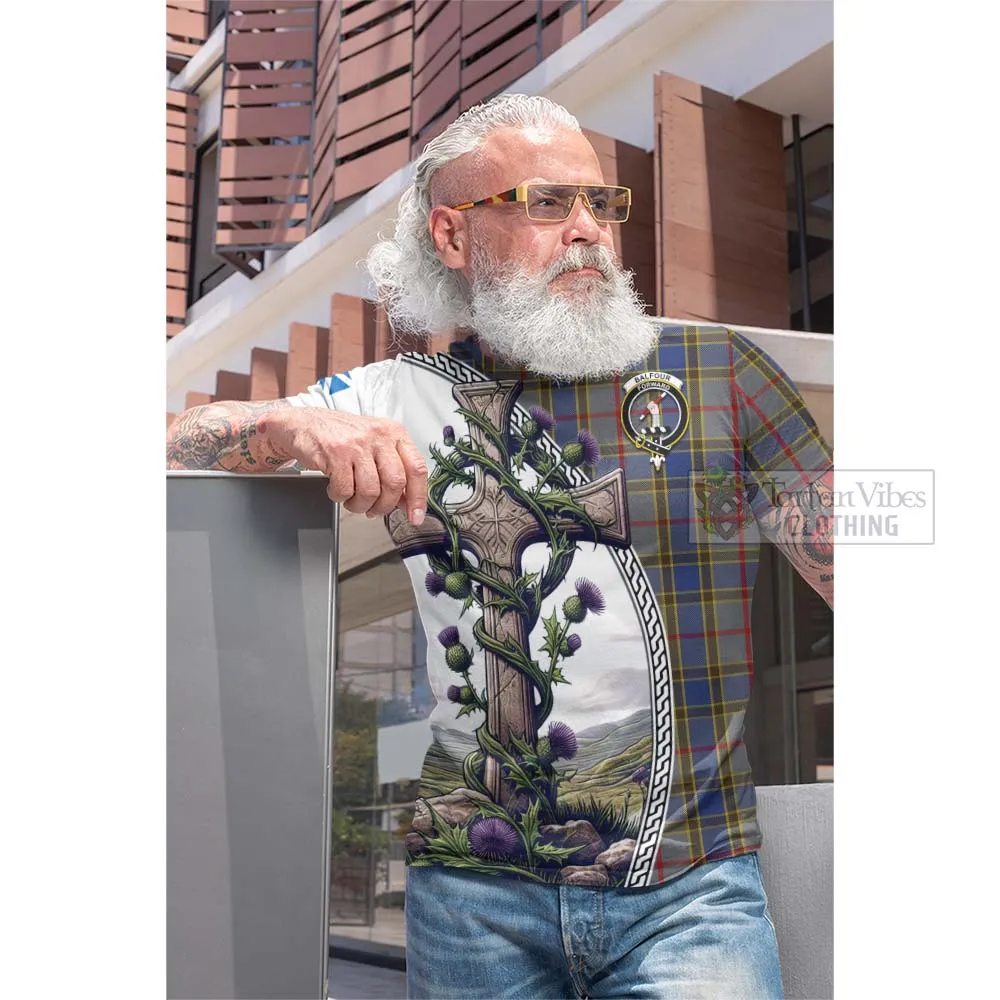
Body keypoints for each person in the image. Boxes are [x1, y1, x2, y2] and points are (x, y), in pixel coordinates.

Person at [167, 93, 833, 1000]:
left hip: (690, 892)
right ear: (451, 236)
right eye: (546, 204)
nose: (588, 230)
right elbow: (175, 443)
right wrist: (291, 427)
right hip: (468, 902)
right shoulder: (397, 395)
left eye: (601, 205)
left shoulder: (718, 374)